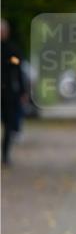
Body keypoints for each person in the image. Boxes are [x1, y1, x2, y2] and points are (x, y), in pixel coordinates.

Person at [1, 19, 26, 166]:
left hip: (8, 92)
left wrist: (22, 91)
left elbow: (18, 64)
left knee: (8, 124)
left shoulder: (12, 49)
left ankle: (5, 155)